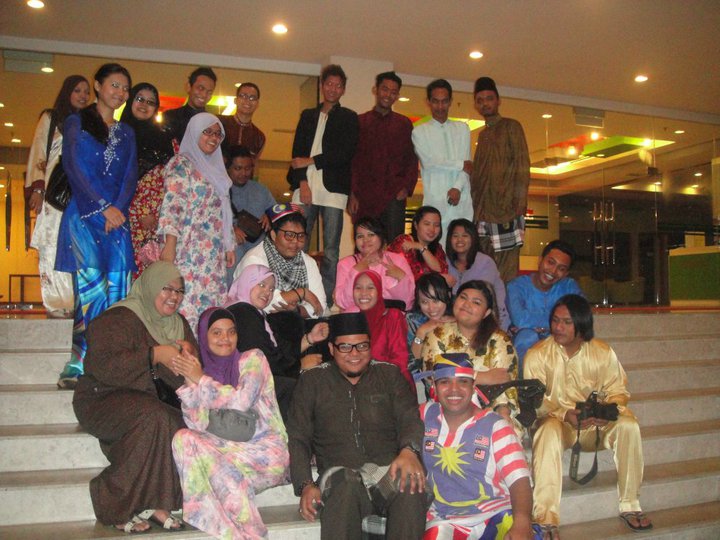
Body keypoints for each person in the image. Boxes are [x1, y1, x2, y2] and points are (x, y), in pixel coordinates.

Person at [72, 261, 196, 533]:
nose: (174, 296)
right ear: (150, 286)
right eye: (167, 288)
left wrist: (189, 358)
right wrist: (154, 354)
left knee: (177, 422)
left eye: (179, 291)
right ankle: (112, 501)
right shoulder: (119, 318)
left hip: (150, 399)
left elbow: (192, 376)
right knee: (152, 418)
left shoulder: (179, 325)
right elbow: (103, 367)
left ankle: (156, 502)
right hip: (102, 396)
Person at [287, 312, 427, 540]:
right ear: (331, 348)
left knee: (409, 484)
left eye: (362, 346)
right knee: (345, 485)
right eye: (345, 347)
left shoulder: (389, 374)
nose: (354, 354)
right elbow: (298, 437)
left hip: (386, 470)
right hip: (339, 473)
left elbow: (409, 418)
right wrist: (305, 484)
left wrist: (409, 451)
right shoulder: (312, 381)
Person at [524, 295, 652, 538]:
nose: (558, 327)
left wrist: (605, 411)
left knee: (629, 425)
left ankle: (630, 504)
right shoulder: (537, 355)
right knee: (547, 430)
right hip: (559, 423)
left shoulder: (602, 352)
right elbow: (534, 404)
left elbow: (618, 391)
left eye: (566, 322)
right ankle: (545, 519)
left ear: (582, 325)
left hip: (595, 427)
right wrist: (564, 414)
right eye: (555, 320)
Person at [171, 307, 290, 539]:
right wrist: (190, 378)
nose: (225, 338)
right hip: (228, 457)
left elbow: (241, 401)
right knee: (183, 439)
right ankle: (236, 533)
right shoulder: (202, 372)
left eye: (231, 332)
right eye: (216, 333)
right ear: (204, 337)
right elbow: (196, 425)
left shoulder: (253, 359)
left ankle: (250, 535)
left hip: (265, 453)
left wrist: (201, 380)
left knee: (220, 468)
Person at [55, 63, 138, 388]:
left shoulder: (127, 132)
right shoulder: (76, 122)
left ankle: (110, 364)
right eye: (115, 85)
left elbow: (130, 176)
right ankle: (79, 364)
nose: (120, 92)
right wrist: (103, 208)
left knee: (118, 293)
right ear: (98, 85)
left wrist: (117, 210)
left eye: (125, 88)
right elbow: (73, 167)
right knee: (90, 293)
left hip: (117, 222)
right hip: (85, 218)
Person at [418, 353, 536, 540]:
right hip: (445, 520)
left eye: (463, 382)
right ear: (434, 386)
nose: (454, 390)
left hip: (496, 514)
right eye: (445, 382)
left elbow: (519, 480)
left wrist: (522, 522)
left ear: (473, 386)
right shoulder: (424, 415)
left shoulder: (495, 426)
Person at [158, 112, 235, 333]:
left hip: (211, 254)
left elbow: (223, 211)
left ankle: (204, 353)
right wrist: (169, 245)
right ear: (194, 132)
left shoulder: (217, 169)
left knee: (210, 307)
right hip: (187, 250)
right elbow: (173, 206)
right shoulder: (181, 164)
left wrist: (228, 244)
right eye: (207, 132)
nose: (213, 138)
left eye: (218, 134)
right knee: (186, 303)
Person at [288, 64, 359, 303]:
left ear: (343, 89)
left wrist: (311, 161)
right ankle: (296, 295)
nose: (333, 89)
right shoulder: (307, 116)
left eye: (338, 85)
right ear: (322, 85)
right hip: (306, 185)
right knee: (298, 243)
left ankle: (326, 300)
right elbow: (297, 154)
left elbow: (345, 153)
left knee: (330, 250)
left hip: (334, 190)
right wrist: (302, 182)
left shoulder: (348, 117)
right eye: (329, 84)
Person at [225, 264, 328, 420]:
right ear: (247, 282)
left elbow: (276, 349)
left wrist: (310, 339)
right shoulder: (243, 312)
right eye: (261, 285)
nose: (267, 292)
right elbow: (264, 359)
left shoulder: (252, 312)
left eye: (272, 289)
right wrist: (300, 366)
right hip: (246, 388)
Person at [25, 74, 89, 318]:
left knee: (78, 249)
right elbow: (39, 151)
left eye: (86, 92)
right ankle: (57, 306)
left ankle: (77, 307)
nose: (83, 96)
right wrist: (37, 189)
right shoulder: (51, 118)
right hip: (54, 194)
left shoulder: (88, 123)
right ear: (67, 92)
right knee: (51, 246)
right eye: (77, 90)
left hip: (80, 196)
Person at [422, 280, 521, 433]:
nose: (467, 304)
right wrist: (482, 376)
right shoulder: (437, 335)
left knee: (504, 430)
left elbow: (505, 382)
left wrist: (503, 412)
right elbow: (433, 377)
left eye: (476, 302)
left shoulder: (499, 339)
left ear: (486, 312)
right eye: (463, 297)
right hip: (447, 408)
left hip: (491, 410)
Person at [470, 76, 530, 282]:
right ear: (476, 105)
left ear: (498, 100)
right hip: (483, 212)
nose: (485, 103)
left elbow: (522, 165)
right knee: (484, 268)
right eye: (480, 100)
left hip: (507, 210)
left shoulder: (511, 127)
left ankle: (505, 305)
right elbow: (481, 174)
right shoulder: (482, 135)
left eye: (489, 98)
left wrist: (519, 205)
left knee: (507, 272)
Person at [349, 71, 418, 241]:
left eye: (393, 92)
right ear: (376, 90)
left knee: (395, 246)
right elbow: (352, 161)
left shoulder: (404, 124)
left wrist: (406, 187)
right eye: (385, 89)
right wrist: (351, 194)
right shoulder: (360, 122)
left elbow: (411, 158)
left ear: (397, 96)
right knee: (365, 244)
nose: (388, 95)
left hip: (394, 196)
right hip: (364, 197)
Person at [233, 203, 326, 319]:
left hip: (295, 324)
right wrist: (303, 293)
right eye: (289, 235)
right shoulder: (255, 259)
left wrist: (296, 310)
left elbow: (320, 306)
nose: (295, 242)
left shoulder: (308, 262)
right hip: (254, 323)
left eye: (301, 236)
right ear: (273, 235)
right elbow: (266, 304)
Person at [122, 82, 176, 277]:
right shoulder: (119, 135)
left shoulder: (165, 136)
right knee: (130, 271)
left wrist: (161, 214)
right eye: (140, 99)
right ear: (130, 101)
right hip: (129, 217)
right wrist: (142, 211)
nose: (144, 105)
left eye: (151, 102)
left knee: (155, 275)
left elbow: (175, 177)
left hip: (161, 219)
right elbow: (117, 179)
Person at [412, 79, 473, 245]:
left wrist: (457, 188)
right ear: (428, 102)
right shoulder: (419, 132)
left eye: (444, 101)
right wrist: (460, 164)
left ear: (451, 101)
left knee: (462, 250)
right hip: (436, 200)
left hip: (462, 201)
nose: (440, 107)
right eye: (435, 101)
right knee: (436, 251)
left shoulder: (462, 129)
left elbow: (468, 166)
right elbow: (429, 161)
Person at [506, 240, 583, 368]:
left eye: (561, 269)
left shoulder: (569, 286)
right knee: (527, 336)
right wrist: (559, 321)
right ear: (540, 260)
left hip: (559, 340)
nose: (553, 271)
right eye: (550, 262)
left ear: (566, 274)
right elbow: (519, 319)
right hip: (524, 343)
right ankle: (526, 381)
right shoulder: (516, 286)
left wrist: (544, 327)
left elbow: (580, 316)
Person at [335, 216, 414, 312]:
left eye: (371, 235)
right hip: (359, 319)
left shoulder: (398, 260)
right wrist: (355, 272)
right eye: (360, 236)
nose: (365, 240)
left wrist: (402, 277)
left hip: (392, 319)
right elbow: (343, 303)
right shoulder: (345, 264)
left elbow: (408, 303)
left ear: (381, 237)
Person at [447, 218, 509, 331]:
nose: (459, 240)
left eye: (465, 236)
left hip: (489, 319)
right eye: (455, 236)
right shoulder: (445, 262)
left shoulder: (485, 262)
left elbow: (481, 299)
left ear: (473, 238)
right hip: (458, 319)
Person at [226, 145, 276, 284]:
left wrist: (270, 216)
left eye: (248, 168)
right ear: (228, 168)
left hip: (258, 252)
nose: (243, 173)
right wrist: (230, 230)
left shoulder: (261, 190)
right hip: (231, 252)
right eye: (238, 168)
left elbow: (278, 213)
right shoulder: (220, 190)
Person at [353, 270, 412, 386]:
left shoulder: (392, 317)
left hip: (392, 386)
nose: (363, 293)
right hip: (362, 387)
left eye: (370, 288)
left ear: (379, 291)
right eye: (358, 288)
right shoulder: (353, 322)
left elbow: (399, 360)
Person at [388, 206, 454, 286]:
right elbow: (409, 276)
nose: (432, 229)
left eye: (436, 225)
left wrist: (421, 247)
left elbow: (442, 270)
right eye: (427, 224)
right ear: (416, 225)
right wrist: (436, 279)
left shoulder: (437, 248)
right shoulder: (404, 241)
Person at [406, 272, 454, 377]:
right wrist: (421, 333)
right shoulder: (413, 320)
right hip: (424, 379)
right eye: (424, 302)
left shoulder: (458, 317)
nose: (431, 308)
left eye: (436, 301)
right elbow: (411, 365)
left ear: (448, 296)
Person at [163, 66, 217, 143]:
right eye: (200, 88)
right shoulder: (170, 117)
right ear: (189, 87)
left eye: (209, 92)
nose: (204, 95)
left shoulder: (213, 123)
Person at [219, 82, 266, 161]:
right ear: (235, 100)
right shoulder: (219, 123)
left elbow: (253, 164)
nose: (247, 100)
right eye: (243, 96)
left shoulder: (259, 137)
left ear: (257, 104)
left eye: (252, 98)